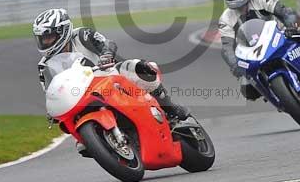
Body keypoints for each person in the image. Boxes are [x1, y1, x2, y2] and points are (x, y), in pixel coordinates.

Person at [33, 8, 189, 121]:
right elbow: (51, 92)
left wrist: (106, 54)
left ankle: (169, 107)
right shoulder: (44, 66)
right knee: (80, 144)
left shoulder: (81, 35)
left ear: (63, 30)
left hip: (107, 76)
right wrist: (52, 110)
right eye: (42, 39)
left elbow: (107, 43)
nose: (45, 42)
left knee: (139, 68)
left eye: (49, 37)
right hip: (80, 96)